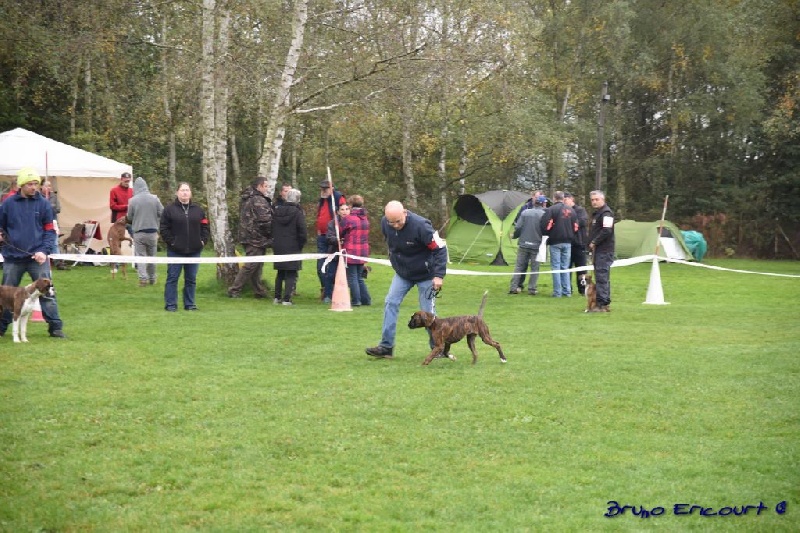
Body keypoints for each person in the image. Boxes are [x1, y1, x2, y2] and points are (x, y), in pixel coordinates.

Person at [365, 201, 447, 359]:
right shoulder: (385, 223)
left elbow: (440, 249)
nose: (395, 225)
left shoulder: (421, 226)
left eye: (398, 221)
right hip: (403, 273)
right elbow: (391, 243)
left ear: (405, 213)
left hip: (426, 274)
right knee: (390, 302)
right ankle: (386, 347)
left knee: (428, 313)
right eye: (391, 222)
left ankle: (438, 348)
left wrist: (438, 275)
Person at [0, 167, 66, 338]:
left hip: (38, 258)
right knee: (4, 295)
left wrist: (44, 251)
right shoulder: (7, 204)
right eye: (30, 184)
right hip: (13, 258)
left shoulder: (44, 204)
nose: (34, 187)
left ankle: (56, 327)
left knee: (48, 292)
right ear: (21, 184)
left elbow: (50, 230)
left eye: (36, 183)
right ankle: (1, 327)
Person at [159, 182, 210, 312]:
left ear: (190, 193)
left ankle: (190, 304)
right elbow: (164, 228)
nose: (185, 192)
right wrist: (172, 242)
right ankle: (171, 304)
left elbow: (205, 227)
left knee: (191, 279)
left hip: (194, 250)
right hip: (175, 251)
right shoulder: (169, 210)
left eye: (187, 190)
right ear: (177, 192)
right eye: (182, 190)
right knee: (172, 278)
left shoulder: (198, 210)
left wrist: (202, 241)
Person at [228, 176, 273, 299]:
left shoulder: (247, 198)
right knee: (251, 264)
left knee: (257, 265)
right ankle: (234, 289)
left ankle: (258, 290)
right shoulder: (258, 200)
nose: (267, 189)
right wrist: (272, 234)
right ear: (259, 186)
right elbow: (265, 220)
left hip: (248, 235)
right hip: (255, 237)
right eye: (266, 186)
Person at [126, 177, 164, 287]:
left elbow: (129, 217)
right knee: (152, 256)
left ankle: (143, 279)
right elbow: (162, 213)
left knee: (140, 256)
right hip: (152, 232)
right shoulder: (155, 198)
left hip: (139, 233)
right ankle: (152, 278)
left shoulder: (132, 200)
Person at [272, 188, 307, 306]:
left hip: (278, 245)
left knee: (280, 272)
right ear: (298, 199)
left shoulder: (276, 211)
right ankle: (287, 299)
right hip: (293, 245)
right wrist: (301, 244)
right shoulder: (298, 213)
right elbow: (302, 231)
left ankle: (277, 297)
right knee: (291, 272)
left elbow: (272, 228)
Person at [540, 190, 578, 298]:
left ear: (554, 198)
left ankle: (557, 292)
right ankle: (567, 291)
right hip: (568, 241)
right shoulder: (571, 210)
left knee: (556, 267)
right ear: (563, 198)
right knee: (565, 267)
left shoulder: (551, 210)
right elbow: (576, 227)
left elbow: (545, 225)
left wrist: (547, 234)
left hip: (555, 241)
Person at [509, 195, 547, 295]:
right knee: (535, 268)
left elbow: (518, 227)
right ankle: (532, 289)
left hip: (523, 244)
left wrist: (514, 236)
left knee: (519, 266)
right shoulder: (544, 215)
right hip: (537, 245)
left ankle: (513, 287)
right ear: (543, 203)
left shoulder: (525, 212)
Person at [315, 180, 346, 301]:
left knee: (332, 266)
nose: (323, 191)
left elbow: (344, 214)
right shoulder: (322, 199)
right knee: (321, 266)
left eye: (326, 188)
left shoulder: (338, 197)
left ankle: (332, 292)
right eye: (322, 188)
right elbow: (320, 215)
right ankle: (325, 289)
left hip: (333, 237)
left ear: (332, 188)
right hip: (322, 236)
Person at [340, 195, 372, 307]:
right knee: (359, 276)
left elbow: (340, 232)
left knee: (352, 276)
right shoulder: (365, 219)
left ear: (351, 205)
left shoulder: (348, 219)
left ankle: (356, 300)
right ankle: (366, 299)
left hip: (351, 251)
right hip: (363, 251)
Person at [588, 190, 615, 312]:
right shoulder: (597, 213)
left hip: (604, 250)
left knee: (602, 277)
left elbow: (607, 230)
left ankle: (602, 304)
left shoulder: (606, 213)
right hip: (598, 250)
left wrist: (594, 241)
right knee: (600, 276)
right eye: (592, 200)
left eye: (596, 199)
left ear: (602, 199)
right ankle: (601, 302)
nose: (594, 201)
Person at [564, 192, 589, 295]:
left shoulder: (580, 210)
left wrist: (569, 222)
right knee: (567, 268)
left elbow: (582, 222)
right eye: (563, 200)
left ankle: (583, 290)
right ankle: (567, 289)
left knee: (581, 268)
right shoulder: (563, 211)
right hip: (568, 243)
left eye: (566, 200)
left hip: (579, 243)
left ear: (571, 199)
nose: (565, 202)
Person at [109, 172, 134, 274]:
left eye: (128, 181)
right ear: (121, 179)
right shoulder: (114, 191)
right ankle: (116, 266)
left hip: (131, 220)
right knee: (116, 243)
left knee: (137, 240)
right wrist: (126, 206)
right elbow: (112, 205)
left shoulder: (132, 191)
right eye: (125, 181)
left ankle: (138, 264)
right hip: (118, 220)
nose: (127, 183)